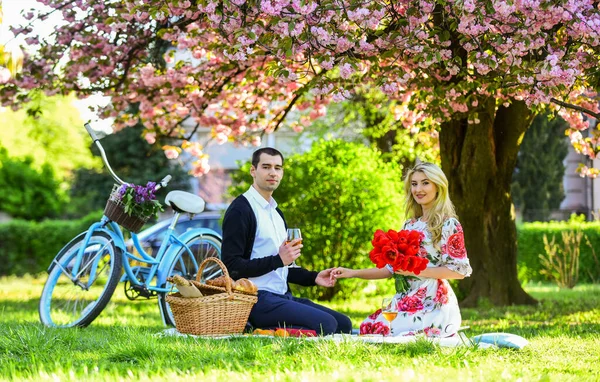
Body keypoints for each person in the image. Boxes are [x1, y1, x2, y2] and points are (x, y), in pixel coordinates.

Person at [221, 147, 352, 335]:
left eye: (278, 168)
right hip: (255, 300)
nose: (273, 172)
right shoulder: (241, 210)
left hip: (282, 297)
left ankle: (270, 329)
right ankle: (257, 329)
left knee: (343, 324)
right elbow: (231, 266)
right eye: (266, 167)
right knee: (327, 325)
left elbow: (283, 269)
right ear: (253, 171)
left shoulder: (275, 212)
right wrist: (278, 260)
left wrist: (314, 277)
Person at [332, 162, 472, 337]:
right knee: (369, 326)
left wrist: (414, 270)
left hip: (433, 302)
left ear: (438, 186)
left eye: (425, 183)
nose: (418, 189)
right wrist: (352, 273)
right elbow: (392, 269)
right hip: (406, 298)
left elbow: (458, 271)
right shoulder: (410, 224)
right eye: (414, 184)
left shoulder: (449, 224)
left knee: (389, 333)